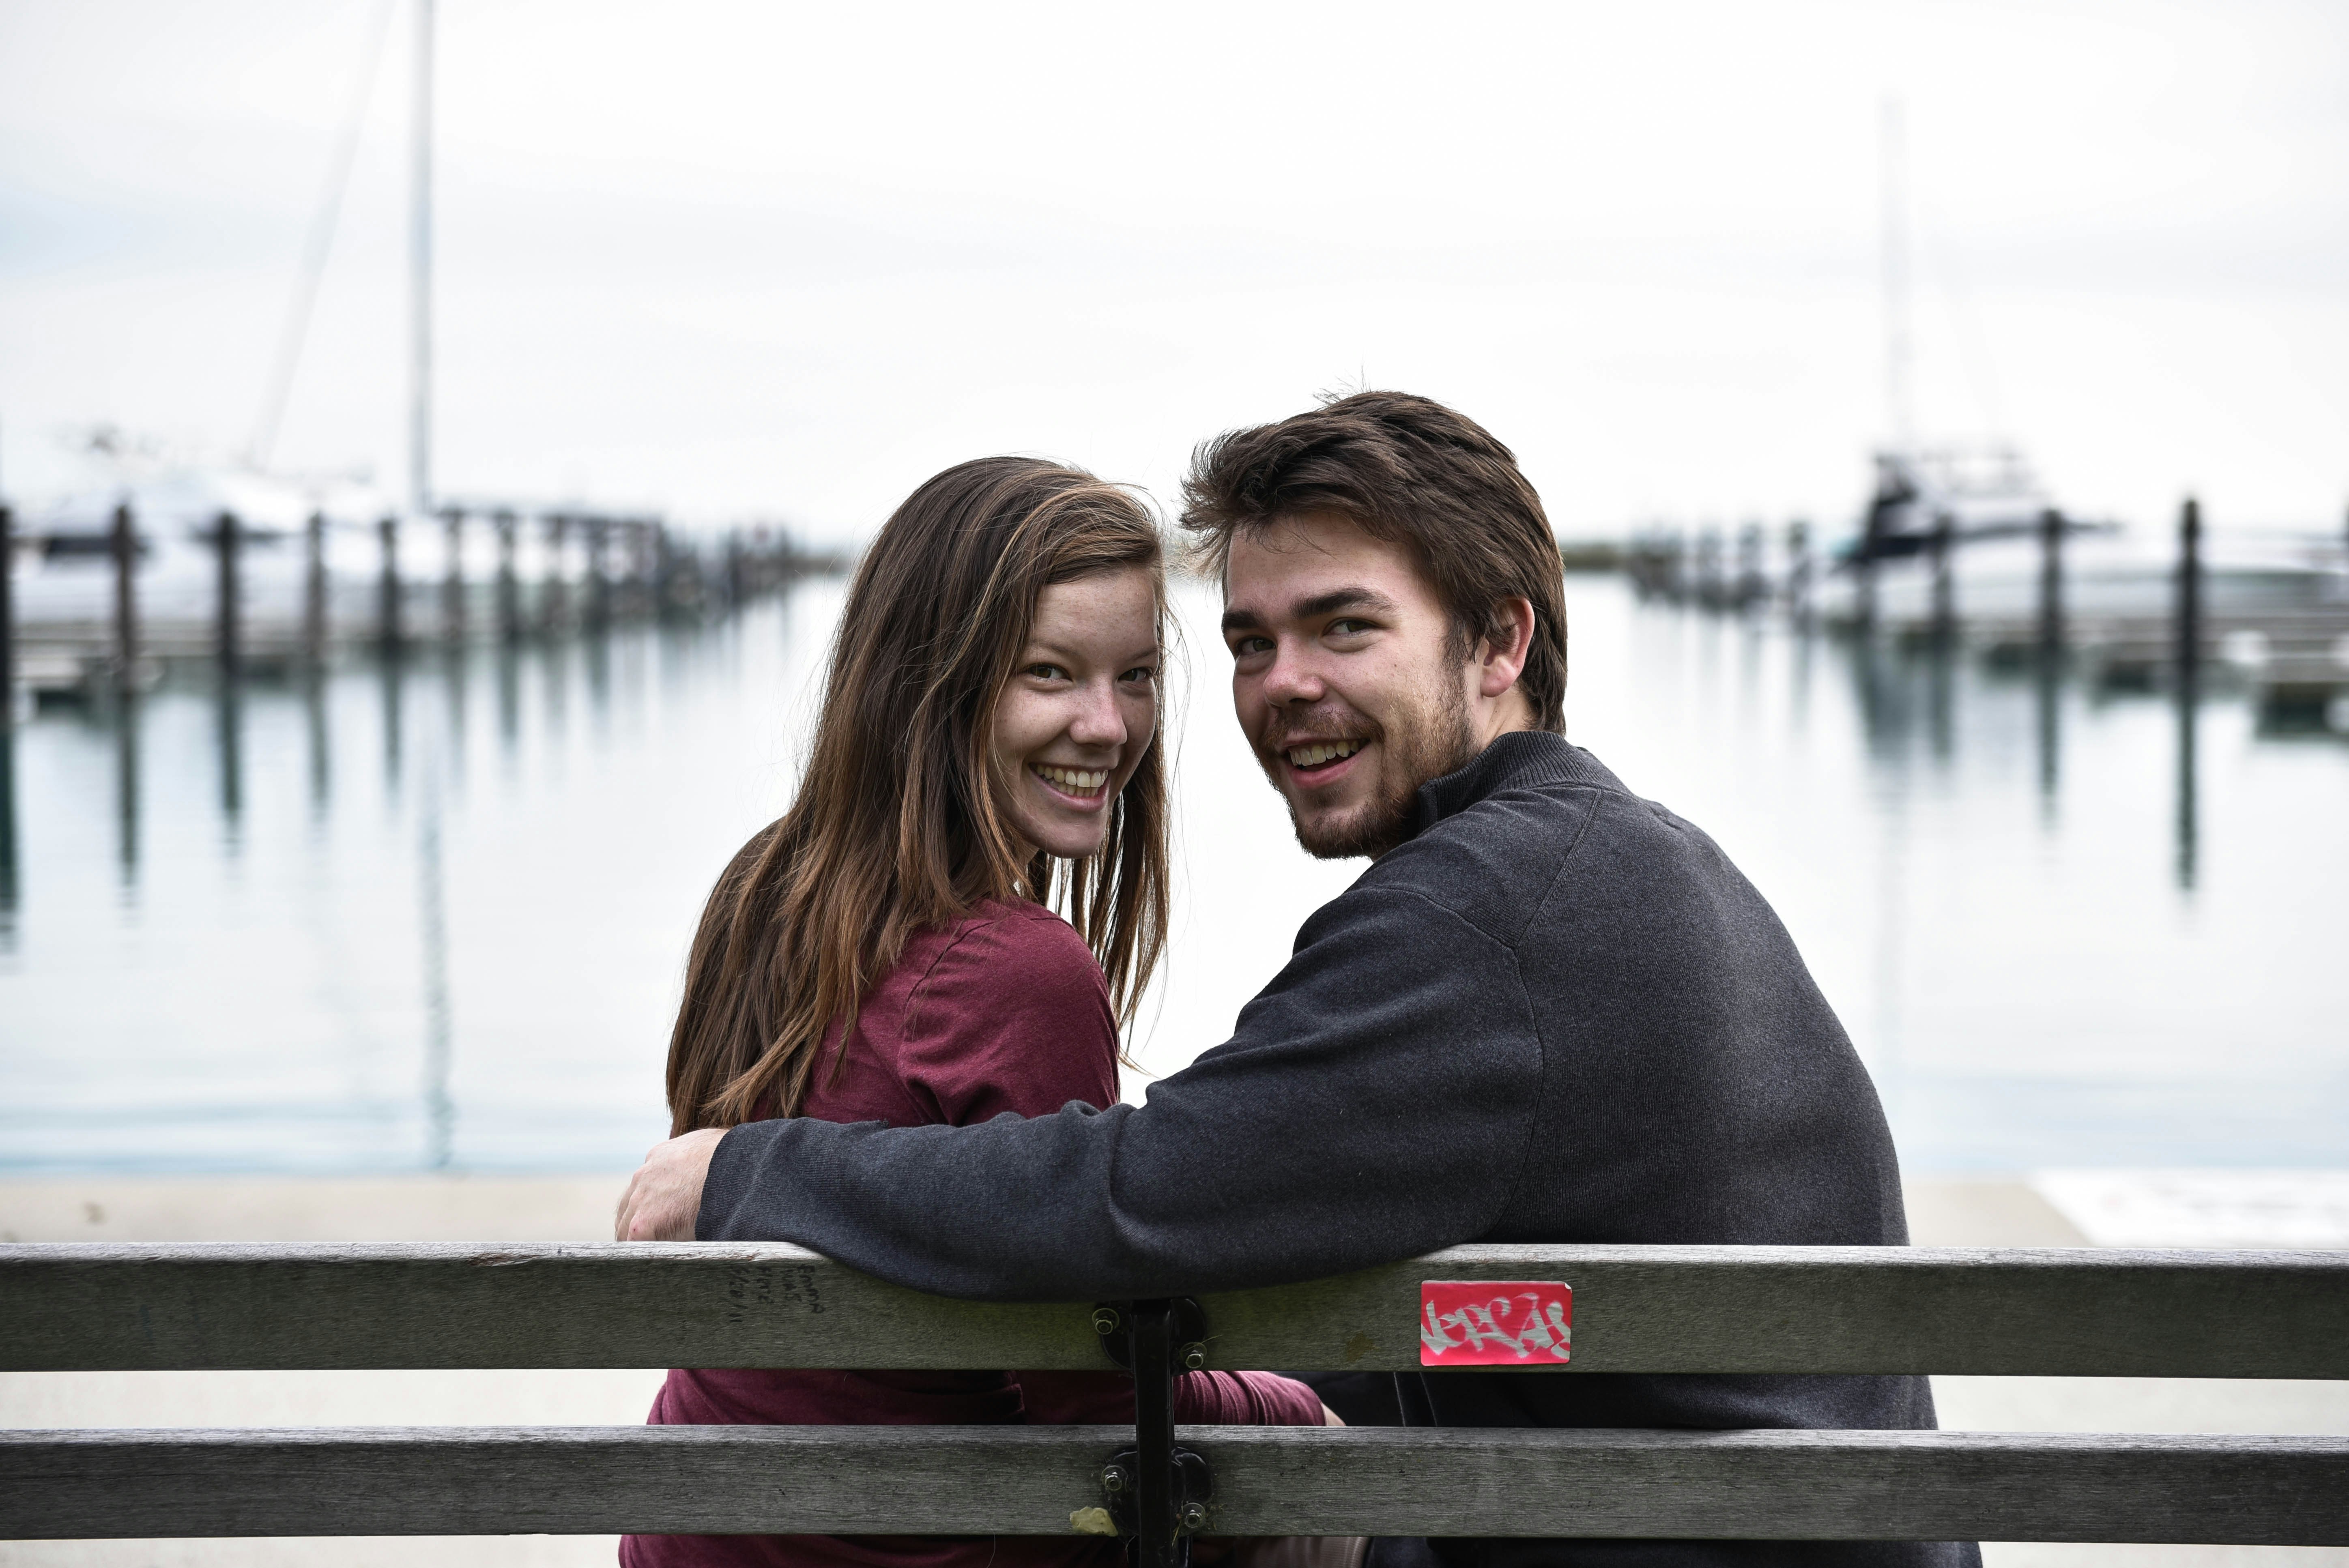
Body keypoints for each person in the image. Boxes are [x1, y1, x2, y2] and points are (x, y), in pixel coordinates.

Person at [619, 395, 1980, 1568]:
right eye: (1254, 643)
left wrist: (752, 1171)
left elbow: (1136, 1196)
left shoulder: (1482, 923)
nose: (1285, 687)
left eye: (1343, 628)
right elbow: (1501, 1308)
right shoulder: (1625, 862)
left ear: (1499, 642)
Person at [620, 457, 1335, 1568]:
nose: (1107, 725)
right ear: (933, 681)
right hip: (905, 1545)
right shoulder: (1017, 973)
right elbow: (1090, 1398)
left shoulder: (763, 889)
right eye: (1050, 673)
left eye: (1137, 675)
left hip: (705, 1536)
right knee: (1332, 1489)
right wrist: (1295, 1408)